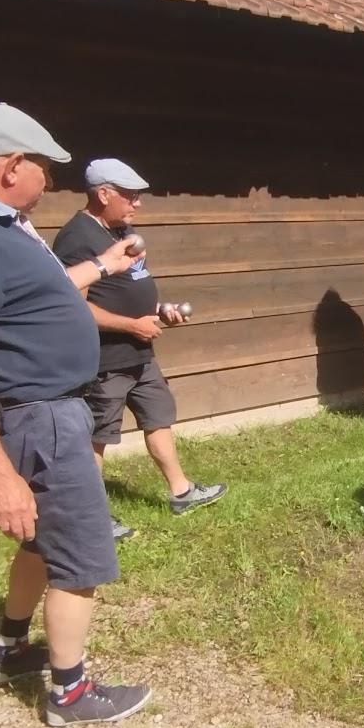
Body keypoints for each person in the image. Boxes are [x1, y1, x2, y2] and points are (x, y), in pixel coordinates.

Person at [0, 103, 150, 725]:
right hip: (41, 416)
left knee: (43, 547)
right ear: (13, 166)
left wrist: (103, 267)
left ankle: (11, 648)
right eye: (45, 168)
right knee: (82, 554)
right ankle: (69, 694)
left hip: (52, 408)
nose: (50, 182)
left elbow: (37, 295)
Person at [51, 159, 227, 536]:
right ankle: (90, 520)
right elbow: (73, 305)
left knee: (157, 417)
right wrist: (132, 325)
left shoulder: (121, 231)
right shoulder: (77, 238)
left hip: (140, 354)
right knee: (97, 437)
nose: (138, 203)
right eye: (130, 195)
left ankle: (181, 491)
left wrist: (159, 310)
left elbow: (128, 287)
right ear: (103, 194)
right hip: (105, 360)